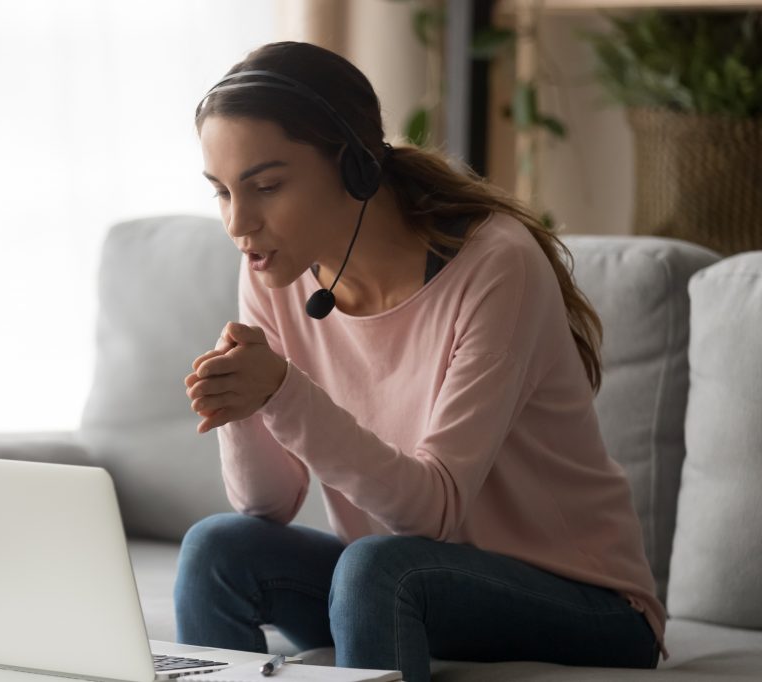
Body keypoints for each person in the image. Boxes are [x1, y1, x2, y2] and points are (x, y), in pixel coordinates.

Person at [175, 41, 665, 682]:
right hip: (405, 588)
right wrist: (246, 398)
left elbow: (432, 512)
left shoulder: (496, 266)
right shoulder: (274, 269)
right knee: (216, 549)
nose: (240, 223)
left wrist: (285, 392)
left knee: (378, 567)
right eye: (222, 192)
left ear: (354, 167)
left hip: (587, 604)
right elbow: (265, 506)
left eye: (266, 186)